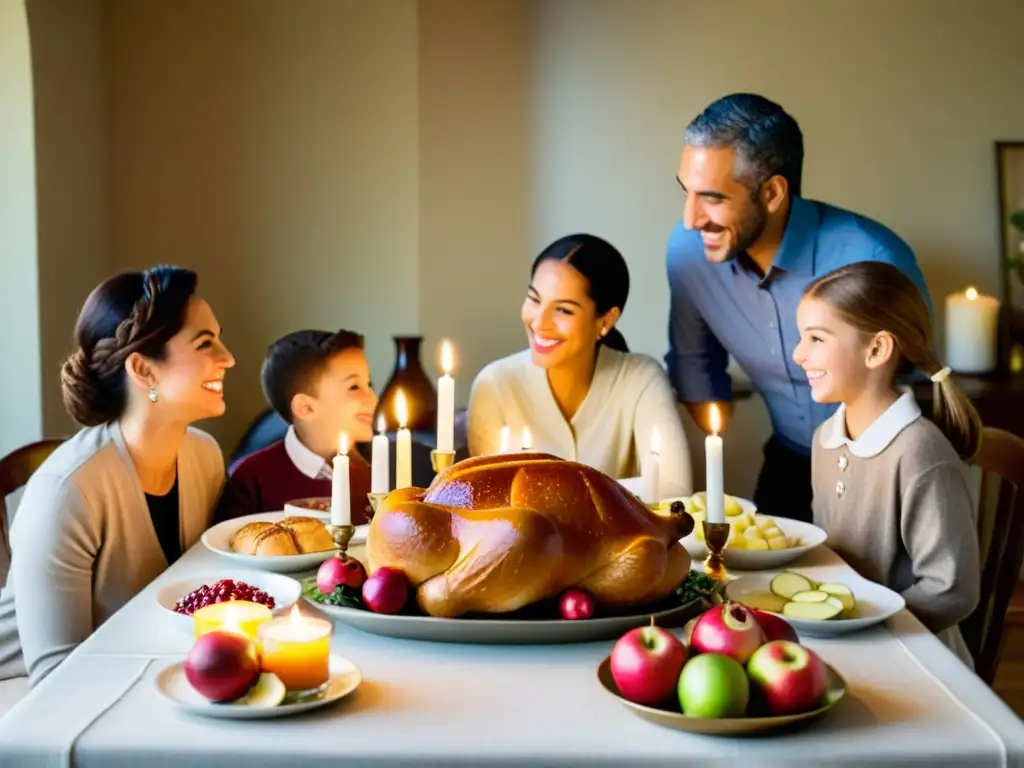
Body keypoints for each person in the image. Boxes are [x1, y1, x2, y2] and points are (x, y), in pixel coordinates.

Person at [666, 92, 931, 522]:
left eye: (711, 198)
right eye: (686, 192)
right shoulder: (688, 255)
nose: (690, 219)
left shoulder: (876, 257)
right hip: (787, 464)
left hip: (883, 469)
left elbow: (918, 389)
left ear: (772, 192)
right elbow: (696, 368)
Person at [0, 266, 233, 686]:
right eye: (205, 343)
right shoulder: (67, 491)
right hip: (24, 697)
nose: (228, 358)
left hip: (146, 673)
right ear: (144, 370)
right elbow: (55, 676)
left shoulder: (205, 457)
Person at [794, 261, 980, 666]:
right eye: (800, 337)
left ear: (876, 349)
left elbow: (952, 589)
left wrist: (863, 622)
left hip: (913, 658)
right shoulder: (825, 439)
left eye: (816, 339)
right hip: (845, 645)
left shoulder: (918, 452)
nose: (798, 354)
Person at [468, 234, 693, 499]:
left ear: (605, 320)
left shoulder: (641, 378)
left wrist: (549, 495)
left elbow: (674, 490)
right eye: (534, 299)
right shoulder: (495, 385)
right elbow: (487, 500)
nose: (540, 323)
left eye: (563, 310)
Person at [216, 329, 375, 524]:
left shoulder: (370, 470)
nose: (373, 399)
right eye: (354, 387)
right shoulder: (250, 480)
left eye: (368, 384)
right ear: (306, 407)